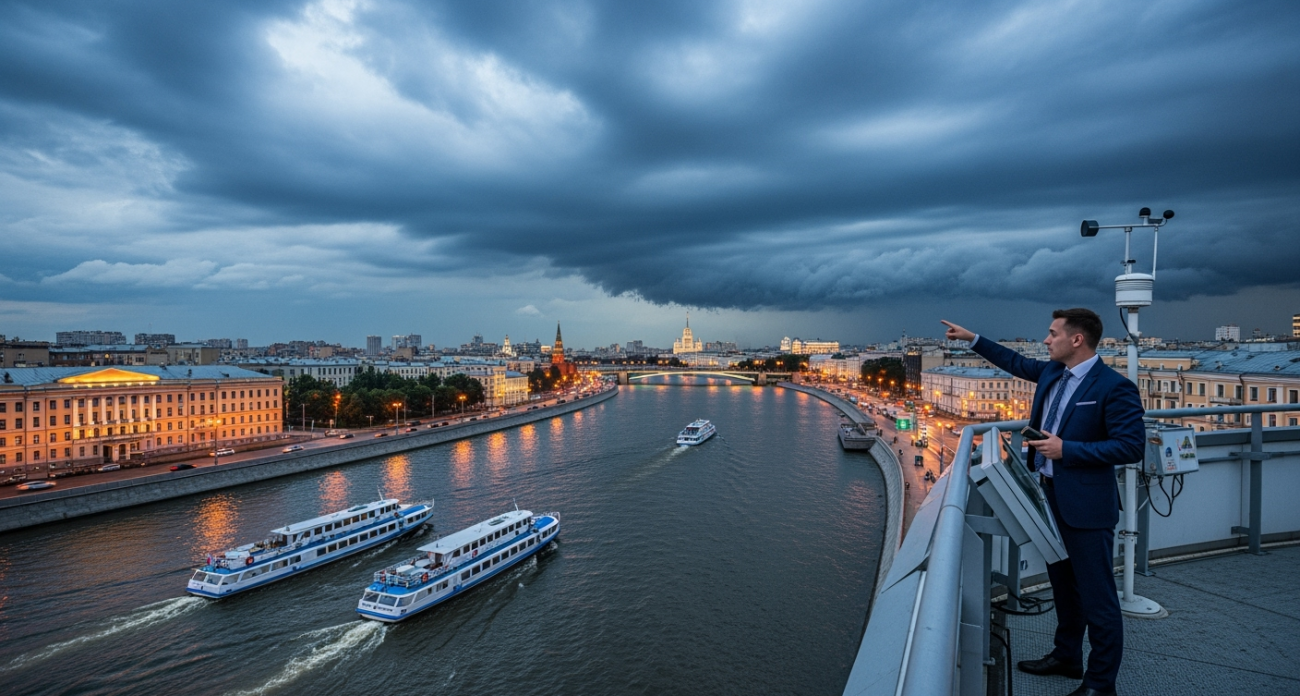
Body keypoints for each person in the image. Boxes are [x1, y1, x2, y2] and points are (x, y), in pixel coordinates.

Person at [942, 309, 1144, 696]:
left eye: (1053, 334)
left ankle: (1101, 685)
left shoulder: (1113, 387)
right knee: (1064, 588)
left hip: (1086, 508)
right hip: (1048, 498)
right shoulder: (1053, 372)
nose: (1046, 340)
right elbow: (1015, 362)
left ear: (1077, 339)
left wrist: (1068, 449)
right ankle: (1067, 656)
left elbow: (1131, 446)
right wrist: (972, 339)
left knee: (1098, 599)